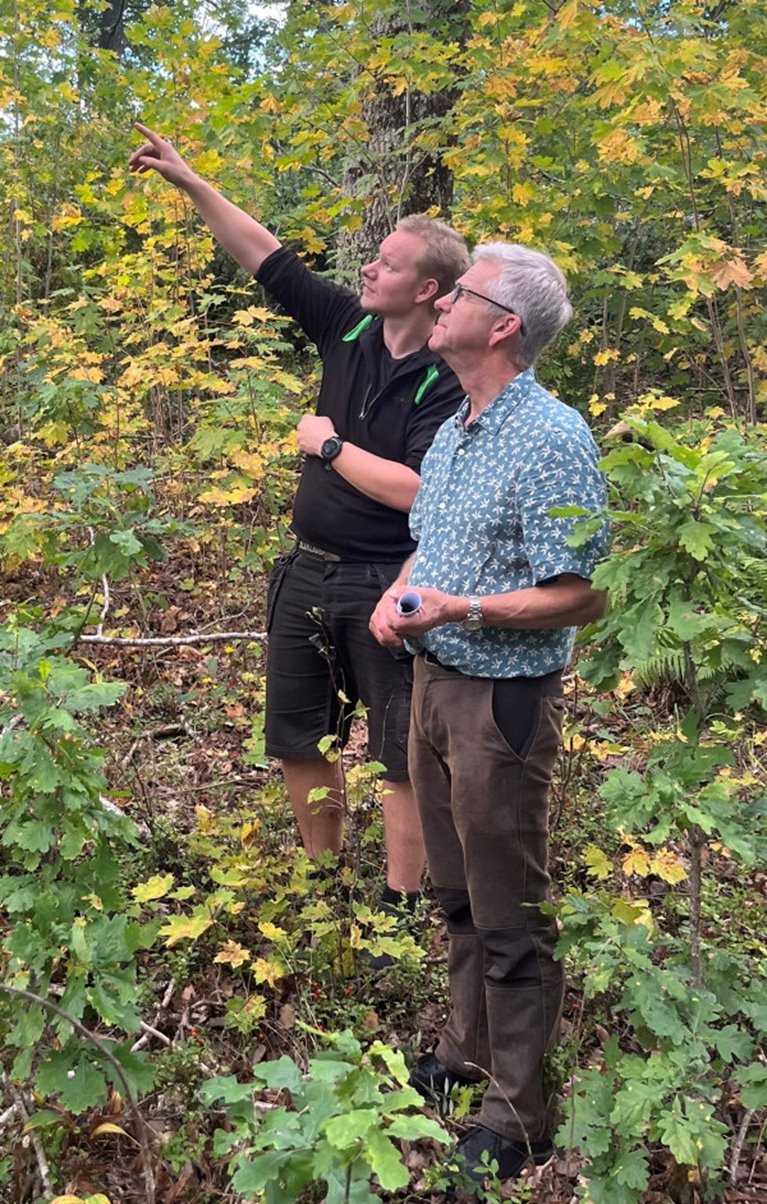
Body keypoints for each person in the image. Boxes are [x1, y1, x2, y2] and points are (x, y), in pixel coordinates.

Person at [128, 124, 470, 911]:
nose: (368, 266)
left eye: (386, 263)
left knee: (398, 754)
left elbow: (421, 491)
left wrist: (328, 446)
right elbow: (262, 252)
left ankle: (397, 901)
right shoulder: (346, 324)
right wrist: (188, 179)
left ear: (425, 289)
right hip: (306, 569)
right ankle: (322, 880)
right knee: (296, 736)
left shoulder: (445, 378)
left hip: (391, 584)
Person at [369, 243, 609, 1184]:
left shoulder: (552, 436)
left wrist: (463, 609)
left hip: (500, 705)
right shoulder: (456, 426)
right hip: (431, 686)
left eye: (457, 293)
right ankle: (464, 1052)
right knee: (458, 893)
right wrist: (401, 597)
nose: (438, 302)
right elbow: (427, 542)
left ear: (502, 324)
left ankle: (517, 1111)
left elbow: (580, 595)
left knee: (510, 909)